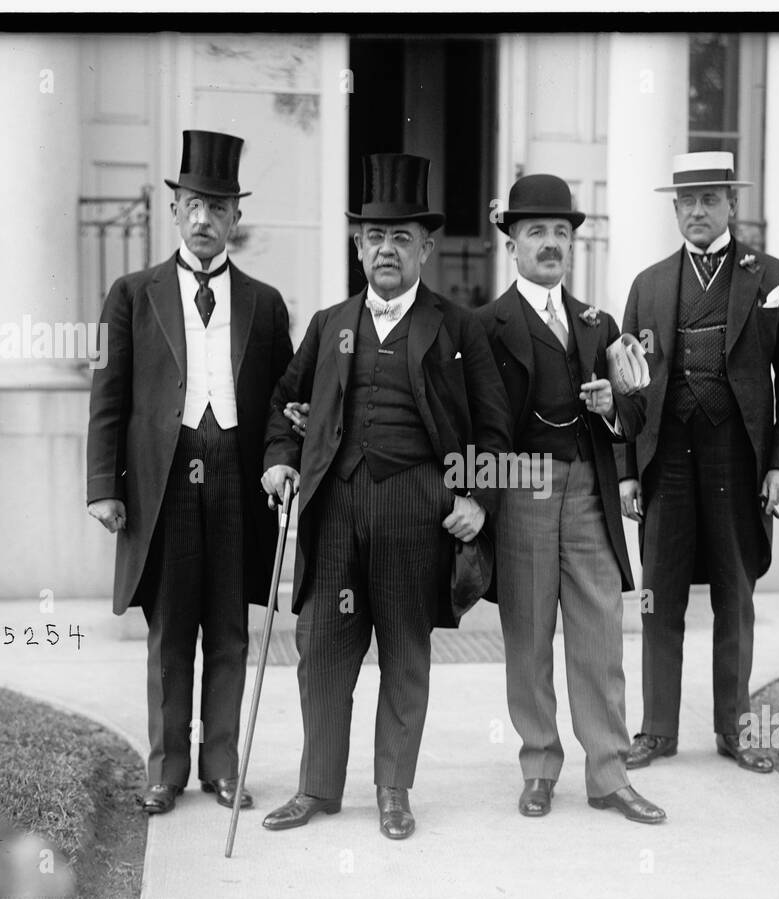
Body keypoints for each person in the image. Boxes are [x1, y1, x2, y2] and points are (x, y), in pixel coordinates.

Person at [259, 153, 511, 840]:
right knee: (323, 649)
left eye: (402, 237)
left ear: (426, 247)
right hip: (336, 508)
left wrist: (478, 497)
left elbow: (494, 428)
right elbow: (285, 404)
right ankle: (317, 787)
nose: (387, 249)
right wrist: (280, 462)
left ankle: (394, 791)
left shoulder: (458, 327)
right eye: (375, 237)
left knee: (404, 653)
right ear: (358, 246)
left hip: (416, 508)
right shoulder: (329, 323)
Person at [86, 130, 293, 814]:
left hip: (236, 474)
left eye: (218, 208)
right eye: (194, 205)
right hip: (165, 478)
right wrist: (103, 487)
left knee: (229, 628)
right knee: (170, 629)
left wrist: (281, 461)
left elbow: (283, 403)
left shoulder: (265, 303)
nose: (204, 219)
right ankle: (166, 770)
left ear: (236, 218)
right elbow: (109, 394)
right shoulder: (132, 294)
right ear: (176, 211)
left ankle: (222, 767)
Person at [475, 174, 665, 825]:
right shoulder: (485, 326)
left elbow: (635, 415)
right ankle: (538, 767)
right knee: (528, 636)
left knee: (600, 635)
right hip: (522, 489)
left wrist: (613, 407)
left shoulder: (597, 322)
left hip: (589, 489)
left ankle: (609, 774)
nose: (551, 243)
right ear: (513, 244)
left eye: (561, 231)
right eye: (537, 232)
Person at [618, 152, 779, 774]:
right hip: (665, 454)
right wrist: (626, 470)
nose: (697, 211)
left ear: (732, 203)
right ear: (675, 210)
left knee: (735, 593)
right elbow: (626, 386)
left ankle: (734, 730)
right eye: (686, 202)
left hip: (738, 455)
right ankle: (657, 730)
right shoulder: (648, 285)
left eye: (709, 199)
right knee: (659, 595)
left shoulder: (771, 276)